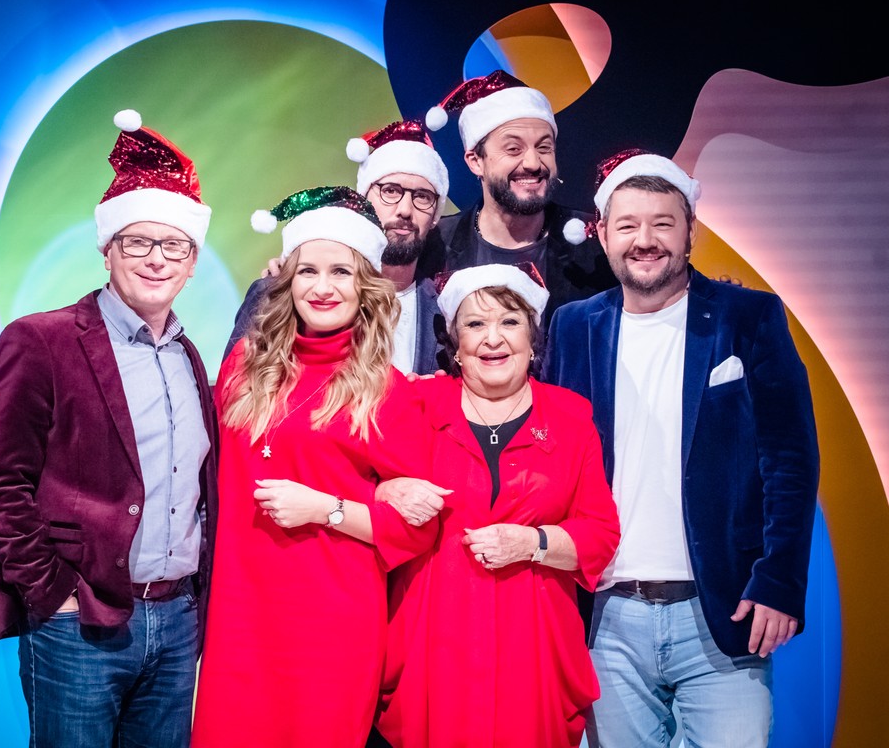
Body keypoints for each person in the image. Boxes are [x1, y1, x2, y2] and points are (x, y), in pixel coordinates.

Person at [542, 151, 820, 747]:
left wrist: (779, 579)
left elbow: (790, 460)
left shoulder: (749, 316)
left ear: (690, 230)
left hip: (724, 609)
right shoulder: (572, 325)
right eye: (628, 225)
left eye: (663, 223)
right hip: (604, 617)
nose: (645, 240)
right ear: (603, 235)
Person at [0, 110, 217, 747]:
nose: (157, 259)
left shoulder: (189, 357)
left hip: (178, 619)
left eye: (175, 246)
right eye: (137, 243)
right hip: (80, 622)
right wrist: (53, 594)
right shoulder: (41, 341)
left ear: (192, 262)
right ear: (107, 250)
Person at [191, 186, 444, 748]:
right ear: (286, 280)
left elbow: (417, 531)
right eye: (308, 270)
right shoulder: (242, 368)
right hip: (240, 617)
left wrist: (326, 509)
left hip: (332, 625)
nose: (322, 287)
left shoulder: (387, 391)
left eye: (341, 272)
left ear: (365, 286)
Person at [374, 263, 620, 748]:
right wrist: (385, 491)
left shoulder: (571, 418)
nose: (493, 339)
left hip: (532, 648)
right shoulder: (414, 405)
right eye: (475, 323)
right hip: (431, 645)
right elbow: (355, 479)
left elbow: (600, 533)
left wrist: (534, 542)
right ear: (455, 343)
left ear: (532, 339)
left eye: (510, 321)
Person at [224, 118, 449, 375]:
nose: (405, 209)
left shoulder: (445, 308)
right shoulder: (278, 294)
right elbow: (233, 388)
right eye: (390, 191)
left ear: (435, 215)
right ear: (364, 199)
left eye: (423, 197)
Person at [425, 69, 618, 333]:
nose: (533, 163)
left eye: (544, 147)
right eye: (513, 149)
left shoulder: (597, 245)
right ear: (476, 161)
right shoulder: (436, 247)